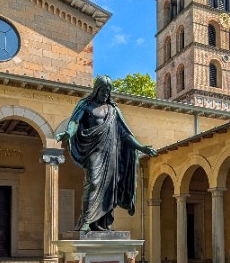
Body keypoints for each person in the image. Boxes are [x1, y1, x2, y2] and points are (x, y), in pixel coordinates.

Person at [56, 75, 157, 231]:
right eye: (103, 90)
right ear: (97, 89)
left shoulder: (113, 110)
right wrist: (69, 133)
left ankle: (104, 223)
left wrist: (141, 147)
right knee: (94, 183)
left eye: (108, 90)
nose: (105, 93)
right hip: (94, 150)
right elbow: (75, 121)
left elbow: (125, 133)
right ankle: (86, 221)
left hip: (111, 153)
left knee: (110, 188)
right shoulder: (86, 105)